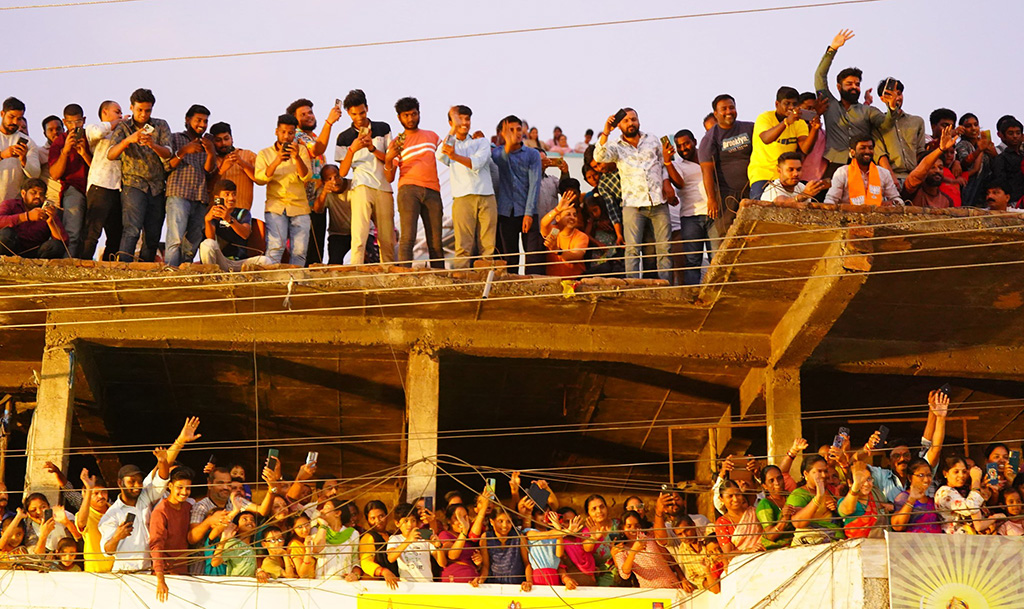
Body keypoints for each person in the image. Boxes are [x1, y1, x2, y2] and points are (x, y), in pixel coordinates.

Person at [595, 108, 674, 281]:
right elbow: (599, 156)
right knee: (632, 250)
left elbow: (662, 164)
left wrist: (667, 183)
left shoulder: (652, 139)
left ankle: (667, 287)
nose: (631, 123)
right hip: (632, 204)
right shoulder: (615, 145)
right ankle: (632, 288)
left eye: (634, 119)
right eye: (626, 121)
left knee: (665, 248)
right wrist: (606, 132)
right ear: (619, 125)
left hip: (658, 202)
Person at [813, 30, 895, 178]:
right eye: (849, 84)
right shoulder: (829, 105)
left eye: (857, 84)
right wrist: (832, 49)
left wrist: (892, 108)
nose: (854, 87)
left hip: (862, 164)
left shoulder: (867, 111)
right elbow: (820, 76)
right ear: (839, 87)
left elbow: (886, 125)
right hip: (834, 163)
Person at [108, 88, 173, 262]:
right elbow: (111, 154)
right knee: (131, 230)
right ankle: (123, 269)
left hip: (157, 187)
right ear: (131, 107)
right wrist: (128, 140)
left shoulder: (161, 125)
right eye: (140, 110)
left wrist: (152, 145)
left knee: (153, 234)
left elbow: (168, 152)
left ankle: (145, 271)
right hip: (133, 184)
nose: (144, 114)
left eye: (148, 110)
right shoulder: (123, 127)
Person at [335, 89, 396, 265]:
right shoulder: (344, 137)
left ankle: (389, 274)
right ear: (348, 113)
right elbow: (342, 172)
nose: (359, 117)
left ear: (367, 108)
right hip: (360, 186)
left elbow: (389, 159)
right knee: (359, 235)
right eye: (354, 114)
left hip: (383, 187)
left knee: (387, 239)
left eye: (362, 112)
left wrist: (372, 148)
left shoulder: (382, 128)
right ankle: (356, 271)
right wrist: (353, 148)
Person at [855, 389, 948, 503]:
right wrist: (865, 449)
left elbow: (934, 447)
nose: (902, 459)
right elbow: (854, 465)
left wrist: (940, 417)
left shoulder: (921, 471)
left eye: (906, 455)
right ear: (888, 461)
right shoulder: (881, 476)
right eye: (896, 456)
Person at [437, 105, 497, 269]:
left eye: (467, 119)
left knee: (488, 244)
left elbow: (477, 163)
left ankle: (487, 279)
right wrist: (453, 130)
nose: (464, 123)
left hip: (486, 195)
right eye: (459, 119)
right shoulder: (449, 142)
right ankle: (462, 281)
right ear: (451, 122)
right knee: (463, 244)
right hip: (462, 197)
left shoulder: (481, 141)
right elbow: (441, 155)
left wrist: (455, 156)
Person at [386, 97, 443, 268]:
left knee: (436, 241)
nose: (411, 119)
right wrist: (388, 159)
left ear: (419, 113)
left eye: (414, 114)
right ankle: (404, 277)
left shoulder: (432, 136)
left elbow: (447, 155)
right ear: (399, 118)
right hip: (409, 190)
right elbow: (389, 177)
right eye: (406, 115)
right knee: (408, 238)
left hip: (433, 190)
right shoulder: (397, 142)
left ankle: (440, 278)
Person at [288, 98, 343, 265]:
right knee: (305, 251)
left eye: (310, 112)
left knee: (316, 250)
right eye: (302, 114)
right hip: (303, 202)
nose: (308, 116)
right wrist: (329, 122)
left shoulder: (313, 136)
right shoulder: (298, 135)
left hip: (317, 200)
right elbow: (317, 149)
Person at [255, 114, 313, 266]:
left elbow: (306, 177)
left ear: (295, 133)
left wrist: (297, 158)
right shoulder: (265, 153)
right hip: (276, 206)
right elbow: (260, 179)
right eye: (283, 132)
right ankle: (270, 284)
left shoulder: (301, 151)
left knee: (299, 252)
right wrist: (277, 160)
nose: (287, 136)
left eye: (291, 133)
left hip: (300, 207)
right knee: (275, 248)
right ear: (276, 132)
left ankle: (295, 284)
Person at [698, 95, 754, 248]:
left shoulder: (749, 128)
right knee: (728, 238)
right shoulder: (710, 138)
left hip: (752, 190)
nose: (729, 111)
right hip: (726, 194)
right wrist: (712, 199)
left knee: (754, 233)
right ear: (716, 114)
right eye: (724, 109)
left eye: (732, 107)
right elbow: (707, 171)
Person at [491, 115, 543, 274]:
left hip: (529, 211)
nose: (516, 133)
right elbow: (500, 160)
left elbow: (534, 184)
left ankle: (533, 291)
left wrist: (528, 213)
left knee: (533, 257)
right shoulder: (497, 152)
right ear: (502, 133)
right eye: (510, 130)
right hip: (506, 212)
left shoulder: (532, 154)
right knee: (510, 257)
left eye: (518, 129)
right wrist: (508, 143)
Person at [164, 104, 215, 266]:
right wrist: (184, 150)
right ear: (187, 120)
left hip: (199, 196)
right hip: (178, 193)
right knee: (176, 238)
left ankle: (185, 272)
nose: (202, 124)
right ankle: (170, 271)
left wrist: (211, 150)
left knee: (192, 242)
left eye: (205, 121)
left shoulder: (206, 143)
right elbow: (167, 165)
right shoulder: (175, 138)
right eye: (198, 120)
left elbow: (208, 169)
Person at [749, 87, 817, 199]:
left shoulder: (799, 122)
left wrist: (814, 129)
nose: (791, 107)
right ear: (777, 104)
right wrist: (786, 123)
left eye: (794, 104)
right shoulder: (765, 118)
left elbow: (805, 148)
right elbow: (766, 138)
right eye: (787, 103)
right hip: (763, 175)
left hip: (787, 177)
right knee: (761, 211)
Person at [666, 129, 711, 285]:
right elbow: (679, 183)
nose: (683, 148)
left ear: (694, 142)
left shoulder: (709, 157)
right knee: (692, 261)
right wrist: (667, 162)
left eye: (686, 144)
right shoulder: (678, 165)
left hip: (713, 213)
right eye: (679, 146)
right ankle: (693, 296)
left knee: (717, 258)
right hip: (690, 216)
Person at [48, 104, 92, 258]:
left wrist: (84, 153)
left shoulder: (91, 137)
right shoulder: (60, 142)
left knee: (90, 235)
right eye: (70, 122)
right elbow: (54, 174)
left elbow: (101, 168)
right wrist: (65, 151)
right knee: (72, 232)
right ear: (64, 122)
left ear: (84, 120)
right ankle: (69, 264)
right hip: (73, 188)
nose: (74, 126)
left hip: (94, 189)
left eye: (78, 122)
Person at [83, 101, 125, 261]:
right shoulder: (97, 129)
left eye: (121, 113)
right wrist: (116, 123)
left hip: (118, 189)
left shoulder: (123, 133)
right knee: (92, 231)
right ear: (105, 112)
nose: (121, 115)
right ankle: (83, 264)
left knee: (117, 234)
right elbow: (95, 133)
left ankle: (108, 266)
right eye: (117, 111)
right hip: (100, 184)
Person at [150, 466, 195, 602]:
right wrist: (161, 579)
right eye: (179, 487)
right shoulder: (160, 511)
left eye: (188, 488)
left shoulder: (188, 507)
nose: (184, 492)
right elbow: (156, 545)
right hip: (166, 575)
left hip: (184, 572)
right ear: (170, 486)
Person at [869, 77, 926, 181]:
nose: (896, 98)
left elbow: (920, 152)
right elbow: (880, 155)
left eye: (898, 94)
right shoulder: (878, 123)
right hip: (889, 178)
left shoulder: (917, 121)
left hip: (914, 178)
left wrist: (917, 177)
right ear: (882, 98)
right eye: (890, 95)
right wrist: (891, 178)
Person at [199, 179, 264, 271]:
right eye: (227, 194)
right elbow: (211, 239)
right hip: (219, 260)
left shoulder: (242, 213)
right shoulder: (210, 213)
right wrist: (208, 221)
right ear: (217, 198)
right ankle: (211, 274)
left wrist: (229, 219)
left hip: (239, 262)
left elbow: (245, 234)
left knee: (265, 261)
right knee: (206, 244)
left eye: (234, 194)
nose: (231, 198)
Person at [823, 137, 904, 206]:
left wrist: (892, 203)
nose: (867, 151)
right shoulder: (842, 172)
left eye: (870, 148)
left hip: (878, 219)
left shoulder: (883, 173)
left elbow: (897, 199)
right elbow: (831, 199)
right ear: (852, 152)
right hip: (849, 218)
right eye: (863, 148)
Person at [0, 178, 68, 258]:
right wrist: (27, 216)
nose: (38, 196)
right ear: (23, 193)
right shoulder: (10, 204)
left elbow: (64, 241)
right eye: (33, 193)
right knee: (6, 233)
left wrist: (51, 222)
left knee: (56, 245)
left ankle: (42, 269)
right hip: (12, 247)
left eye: (41, 194)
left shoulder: (47, 211)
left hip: (35, 252)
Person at [786, 455, 845, 545]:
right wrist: (818, 498)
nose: (824, 475)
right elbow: (798, 523)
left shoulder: (830, 490)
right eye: (819, 471)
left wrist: (836, 507)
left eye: (825, 471)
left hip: (836, 542)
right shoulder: (798, 494)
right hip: (810, 544)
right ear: (806, 474)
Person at [612, 510, 678, 588]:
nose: (633, 529)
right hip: (649, 592)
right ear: (622, 528)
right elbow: (624, 574)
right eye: (629, 526)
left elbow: (670, 559)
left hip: (673, 586)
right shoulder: (621, 550)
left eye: (636, 526)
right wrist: (633, 551)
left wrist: (683, 579)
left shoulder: (650, 537)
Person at [522, 506, 582, 589]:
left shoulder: (556, 535)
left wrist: (558, 529)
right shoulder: (529, 532)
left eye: (548, 514)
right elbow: (546, 535)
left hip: (554, 577)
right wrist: (566, 531)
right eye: (541, 514)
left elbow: (559, 554)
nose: (545, 517)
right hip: (537, 577)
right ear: (533, 517)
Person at [387, 502, 443, 583]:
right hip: (408, 585)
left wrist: (438, 546)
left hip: (427, 584)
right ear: (397, 523)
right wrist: (408, 540)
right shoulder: (395, 539)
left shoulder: (424, 538)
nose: (410, 524)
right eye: (405, 521)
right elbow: (391, 558)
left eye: (413, 520)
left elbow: (441, 563)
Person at [902, 126, 958, 208]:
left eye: (940, 168)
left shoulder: (946, 200)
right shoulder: (912, 190)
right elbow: (919, 172)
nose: (937, 171)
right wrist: (940, 149)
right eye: (932, 167)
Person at [935, 457, 992, 535]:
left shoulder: (962, 491)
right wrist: (976, 480)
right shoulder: (945, 492)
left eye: (964, 472)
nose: (961, 475)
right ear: (946, 473)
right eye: (956, 472)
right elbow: (971, 507)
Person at [309, 497, 362, 580]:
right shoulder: (318, 531)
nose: (322, 511)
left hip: (344, 583)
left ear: (337, 513)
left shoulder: (353, 534)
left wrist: (355, 575)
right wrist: (323, 525)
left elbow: (355, 561)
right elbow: (316, 549)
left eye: (326, 508)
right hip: (321, 584)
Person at [438, 498, 488, 585]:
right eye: (457, 518)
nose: (462, 521)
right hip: (454, 580)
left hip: (473, 582)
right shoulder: (445, 535)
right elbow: (452, 555)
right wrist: (464, 531)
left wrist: (479, 562)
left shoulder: (470, 538)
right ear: (449, 520)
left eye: (465, 517)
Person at [0, 97, 41, 202]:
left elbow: (35, 174)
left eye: (18, 119)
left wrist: (24, 160)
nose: (14, 122)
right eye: (11, 117)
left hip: (13, 204)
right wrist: (2, 155)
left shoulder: (28, 142)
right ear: (2, 114)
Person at [209, 122, 258, 211]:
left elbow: (260, 179)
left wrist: (241, 162)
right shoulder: (210, 159)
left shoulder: (247, 155)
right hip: (217, 211)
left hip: (241, 211)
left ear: (232, 139)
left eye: (226, 139)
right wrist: (221, 170)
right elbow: (208, 187)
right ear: (213, 142)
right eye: (218, 140)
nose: (223, 143)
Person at [955, 114, 998, 207]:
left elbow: (995, 164)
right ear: (962, 129)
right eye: (968, 126)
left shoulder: (984, 143)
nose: (973, 128)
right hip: (969, 186)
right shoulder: (963, 144)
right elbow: (965, 162)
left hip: (985, 186)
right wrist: (979, 149)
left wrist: (993, 152)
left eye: (976, 125)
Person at [541, 190, 588, 277]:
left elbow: (576, 256)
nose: (572, 217)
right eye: (568, 214)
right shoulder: (555, 232)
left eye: (574, 215)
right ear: (558, 218)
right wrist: (557, 209)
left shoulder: (581, 236)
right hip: (554, 281)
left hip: (576, 281)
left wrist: (557, 250)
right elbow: (544, 224)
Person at [312, 164, 353, 264]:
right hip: (338, 234)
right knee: (334, 263)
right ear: (323, 182)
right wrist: (324, 192)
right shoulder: (323, 191)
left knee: (369, 260)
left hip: (360, 232)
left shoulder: (353, 185)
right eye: (329, 179)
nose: (334, 181)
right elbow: (317, 209)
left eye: (337, 176)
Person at [75, 468, 112, 573]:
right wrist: (89, 489)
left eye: (103, 492)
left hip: (118, 569)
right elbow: (81, 523)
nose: (101, 496)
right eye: (95, 493)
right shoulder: (84, 515)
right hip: (95, 571)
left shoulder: (116, 511)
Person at [890, 458, 941, 534]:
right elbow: (897, 526)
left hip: (936, 543)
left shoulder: (932, 499)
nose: (926, 480)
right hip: (914, 543)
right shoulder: (903, 498)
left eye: (929, 475)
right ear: (910, 477)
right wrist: (911, 500)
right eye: (921, 475)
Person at [715, 480, 764, 555]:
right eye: (730, 496)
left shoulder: (754, 512)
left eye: (738, 495)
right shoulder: (722, 523)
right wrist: (748, 551)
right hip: (742, 562)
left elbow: (768, 533)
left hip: (765, 554)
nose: (735, 499)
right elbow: (728, 554)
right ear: (721, 499)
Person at [359, 500, 400, 588]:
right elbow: (365, 562)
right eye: (373, 518)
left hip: (397, 583)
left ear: (387, 516)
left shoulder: (393, 536)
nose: (378, 521)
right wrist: (383, 571)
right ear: (367, 520)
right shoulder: (368, 537)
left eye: (381, 516)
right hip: (378, 586)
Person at [760, 152, 830, 203]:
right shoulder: (772, 191)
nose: (796, 174)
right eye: (790, 170)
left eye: (798, 169)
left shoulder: (801, 186)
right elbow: (780, 201)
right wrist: (804, 195)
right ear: (779, 171)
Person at [581, 494, 618, 586]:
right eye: (594, 509)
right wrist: (594, 537)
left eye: (602, 507)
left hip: (625, 572)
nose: (599, 511)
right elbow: (587, 548)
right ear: (588, 513)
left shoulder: (618, 524)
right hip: (603, 578)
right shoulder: (587, 532)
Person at [755, 465, 795, 549]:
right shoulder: (765, 504)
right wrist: (784, 519)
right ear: (765, 486)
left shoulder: (791, 497)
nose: (777, 483)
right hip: (776, 547)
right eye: (771, 481)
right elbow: (770, 536)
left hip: (796, 542)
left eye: (779, 478)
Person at [210, 512, 260, 578]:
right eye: (245, 519)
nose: (250, 521)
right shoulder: (232, 543)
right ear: (236, 527)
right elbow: (215, 562)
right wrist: (223, 540)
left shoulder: (254, 547)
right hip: (236, 584)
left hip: (251, 585)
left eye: (252, 520)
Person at [838, 465, 882, 539]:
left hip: (881, 545)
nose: (866, 484)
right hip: (856, 547)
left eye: (869, 479)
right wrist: (856, 485)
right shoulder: (844, 501)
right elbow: (847, 510)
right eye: (861, 480)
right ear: (850, 482)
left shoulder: (877, 496)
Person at [991, 117, 1024, 203]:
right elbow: (1000, 181)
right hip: (1012, 202)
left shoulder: (1022, 156)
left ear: (1022, 136)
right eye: (1010, 133)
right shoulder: (1001, 159)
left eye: (1018, 133)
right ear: (1003, 137)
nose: (1015, 136)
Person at [38, 115, 63, 207]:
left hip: (73, 199)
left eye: (58, 128)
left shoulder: (73, 150)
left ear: (63, 130)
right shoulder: (40, 153)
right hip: (52, 202)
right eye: (51, 130)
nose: (55, 132)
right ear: (45, 133)